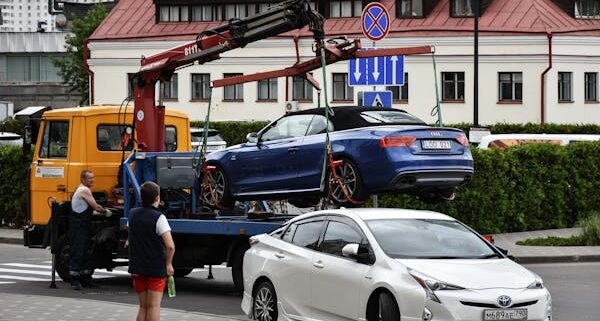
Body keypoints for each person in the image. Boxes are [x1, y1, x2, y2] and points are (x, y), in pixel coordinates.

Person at [128, 181, 175, 321]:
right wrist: (169, 264)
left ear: (141, 197)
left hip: (137, 267)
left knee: (143, 306)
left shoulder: (132, 213)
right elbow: (170, 246)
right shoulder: (159, 217)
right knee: (153, 306)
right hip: (155, 268)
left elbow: (131, 234)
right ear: (157, 198)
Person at [70, 169, 111, 290]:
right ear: (83, 180)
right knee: (79, 251)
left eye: (93, 178)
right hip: (79, 226)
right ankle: (75, 280)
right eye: (90, 178)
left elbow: (87, 209)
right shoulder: (84, 190)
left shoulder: (81, 189)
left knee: (85, 252)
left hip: (81, 225)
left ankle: (85, 278)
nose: (92, 180)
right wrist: (106, 212)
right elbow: (96, 206)